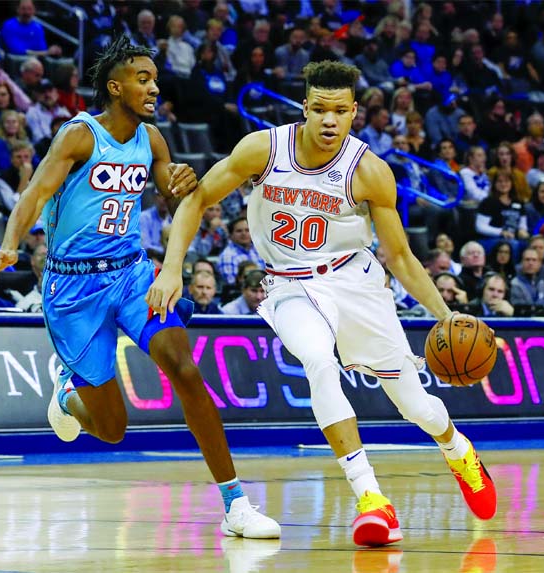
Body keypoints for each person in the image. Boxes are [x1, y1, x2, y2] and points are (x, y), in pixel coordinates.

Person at [148, 60, 496, 547]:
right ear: (303, 108)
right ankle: (371, 499)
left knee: (416, 406)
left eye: (339, 111)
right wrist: (171, 267)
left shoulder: (369, 171)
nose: (329, 121)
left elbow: (399, 255)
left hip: (355, 284)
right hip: (288, 285)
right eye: (319, 110)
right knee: (316, 359)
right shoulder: (263, 150)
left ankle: (457, 448)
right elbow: (198, 199)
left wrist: (446, 314)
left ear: (355, 111)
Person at [0, 37, 279, 539]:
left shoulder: (153, 138)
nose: (154, 87)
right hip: (72, 290)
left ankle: (235, 504)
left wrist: (183, 181)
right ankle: (68, 397)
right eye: (143, 79)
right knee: (113, 429)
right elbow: (35, 192)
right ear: (115, 86)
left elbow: (173, 188)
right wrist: (11, 244)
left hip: (131, 274)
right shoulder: (80, 136)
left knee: (185, 370)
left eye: (155, 78)